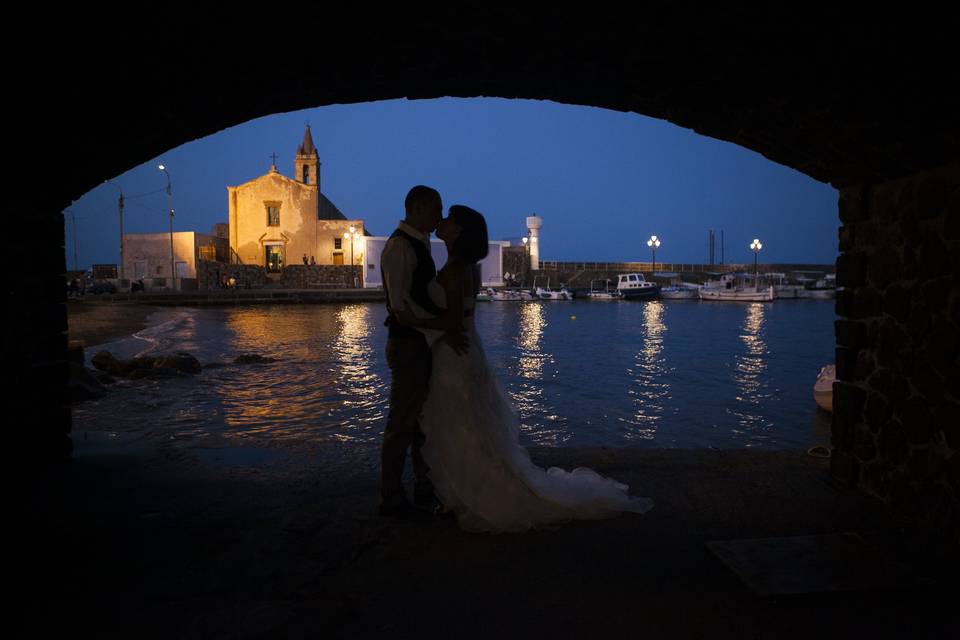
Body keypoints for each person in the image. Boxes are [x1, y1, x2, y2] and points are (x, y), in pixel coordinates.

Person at [392, 205, 653, 532]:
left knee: (460, 425)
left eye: (448, 219)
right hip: (466, 351)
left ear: (458, 231)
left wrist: (414, 320)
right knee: (468, 425)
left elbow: (455, 321)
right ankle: (463, 492)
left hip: (454, 356)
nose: (441, 220)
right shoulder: (466, 266)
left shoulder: (457, 268)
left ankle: (475, 495)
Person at [378, 185, 468, 519]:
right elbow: (401, 307)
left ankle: (421, 485)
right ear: (417, 208)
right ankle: (391, 496)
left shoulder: (418, 242)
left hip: (418, 343)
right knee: (402, 422)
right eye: (436, 210)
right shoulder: (401, 248)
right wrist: (445, 326)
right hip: (408, 345)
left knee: (419, 422)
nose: (440, 217)